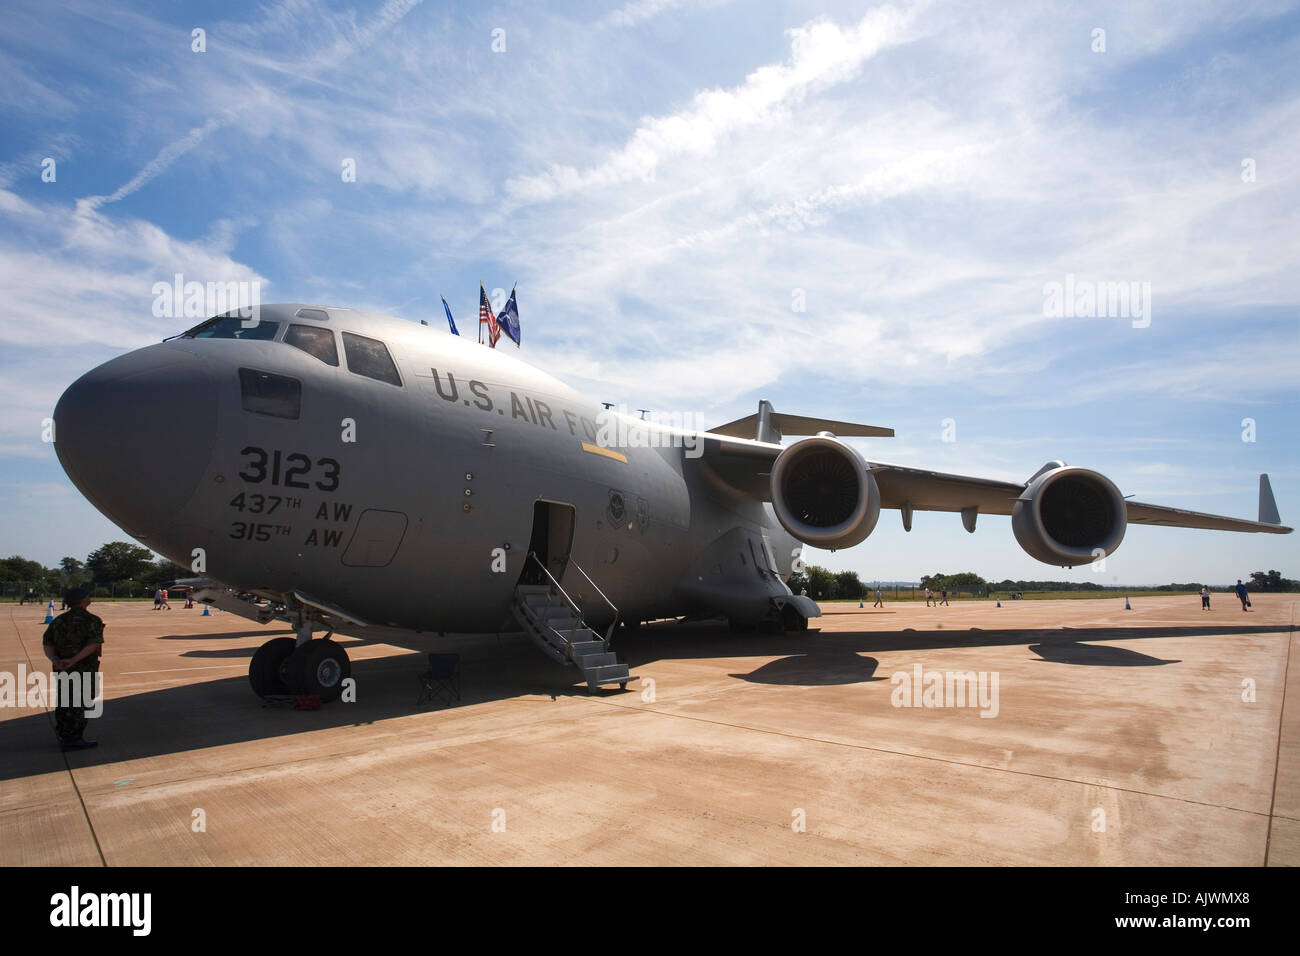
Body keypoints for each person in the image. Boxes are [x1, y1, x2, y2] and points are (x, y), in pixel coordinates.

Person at [42, 587, 103, 750]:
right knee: (81, 702)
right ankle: (74, 738)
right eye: (87, 596)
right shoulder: (92, 620)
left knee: (64, 701)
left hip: (61, 668)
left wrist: (55, 659)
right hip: (83, 668)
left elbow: (47, 643)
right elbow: (93, 644)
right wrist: (73, 660)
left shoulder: (58, 621)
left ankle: (64, 733)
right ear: (83, 600)